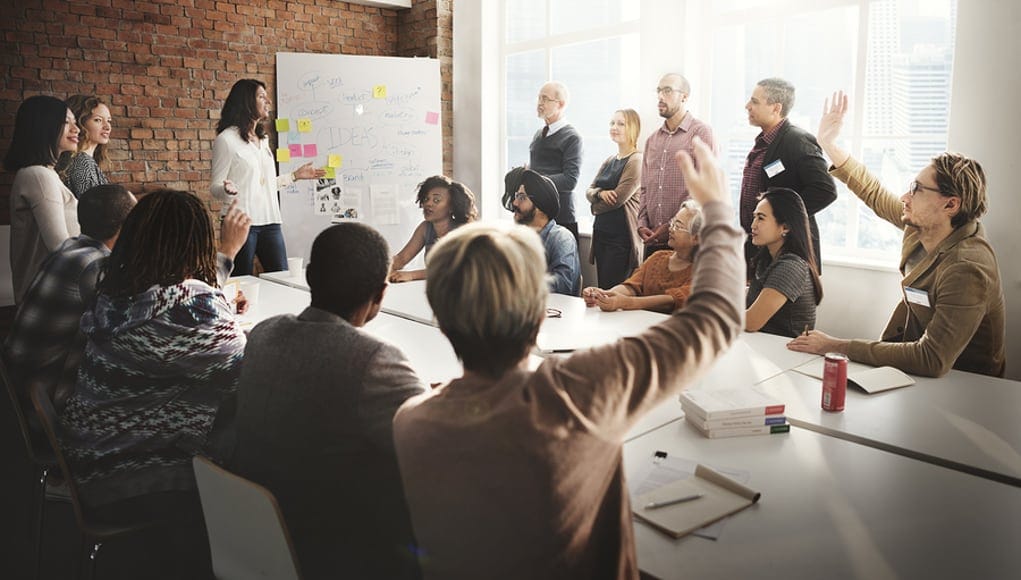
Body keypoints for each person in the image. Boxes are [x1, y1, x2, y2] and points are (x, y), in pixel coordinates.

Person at [393, 137, 743, 579]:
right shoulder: (579, 393)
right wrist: (718, 215)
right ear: (541, 311)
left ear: (440, 321)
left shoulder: (411, 423)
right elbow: (714, 321)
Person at [232, 223, 426, 580]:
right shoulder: (374, 359)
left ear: (308, 277)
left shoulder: (262, 333)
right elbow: (435, 442)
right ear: (381, 294)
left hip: (252, 533)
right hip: (333, 548)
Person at [787, 91, 1005, 378]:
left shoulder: (967, 267)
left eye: (916, 189)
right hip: (917, 375)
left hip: (967, 386)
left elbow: (931, 358)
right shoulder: (920, 226)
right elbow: (874, 192)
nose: (905, 196)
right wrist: (829, 143)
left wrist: (836, 345)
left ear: (950, 204)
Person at [3, 184, 135, 427]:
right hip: (51, 414)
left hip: (19, 401)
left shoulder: (69, 249)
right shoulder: (96, 266)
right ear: (126, 226)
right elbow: (137, 329)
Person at [211, 78, 325, 275]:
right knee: (242, 282)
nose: (268, 102)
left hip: (271, 222)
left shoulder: (263, 140)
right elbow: (215, 187)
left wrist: (295, 176)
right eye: (261, 97)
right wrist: (226, 189)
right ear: (246, 101)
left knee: (283, 277)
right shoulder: (226, 140)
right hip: (241, 222)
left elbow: (265, 185)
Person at [741, 78, 836, 274]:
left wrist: (783, 220)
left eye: (755, 102)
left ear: (776, 108)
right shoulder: (763, 142)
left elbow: (825, 190)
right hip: (757, 246)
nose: (747, 106)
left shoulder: (797, 140)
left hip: (788, 248)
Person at [4, 95, 82, 303]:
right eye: (67, 122)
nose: (77, 129)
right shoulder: (38, 175)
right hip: (48, 302)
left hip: (55, 297)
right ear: (43, 125)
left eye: (75, 122)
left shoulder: (46, 175)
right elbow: (61, 248)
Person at [637, 73, 715, 259]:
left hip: (686, 241)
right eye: (659, 91)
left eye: (667, 91)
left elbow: (703, 188)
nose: (660, 97)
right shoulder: (652, 140)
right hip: (652, 241)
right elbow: (645, 188)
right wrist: (641, 224)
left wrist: (672, 225)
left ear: (685, 96)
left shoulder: (701, 132)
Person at [583, 201, 702, 313]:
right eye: (672, 223)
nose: (671, 229)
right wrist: (603, 295)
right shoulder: (658, 257)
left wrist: (626, 303)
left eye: (678, 226)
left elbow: (671, 301)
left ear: (696, 238)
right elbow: (632, 286)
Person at [745, 188, 822, 338]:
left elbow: (751, 322)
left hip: (784, 355)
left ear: (785, 227)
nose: (753, 225)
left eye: (761, 218)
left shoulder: (791, 267)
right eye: (754, 217)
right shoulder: (766, 259)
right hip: (759, 346)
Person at [586, 108, 643, 288]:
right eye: (612, 123)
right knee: (603, 288)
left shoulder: (636, 160)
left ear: (633, 128)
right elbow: (589, 190)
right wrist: (599, 194)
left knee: (613, 292)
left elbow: (618, 200)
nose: (614, 127)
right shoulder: (610, 160)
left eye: (621, 124)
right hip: (602, 235)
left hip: (621, 240)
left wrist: (594, 206)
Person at [505, 167, 580, 296]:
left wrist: (517, 285)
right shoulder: (519, 237)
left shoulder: (561, 238)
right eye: (516, 196)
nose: (515, 202)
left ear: (540, 206)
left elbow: (564, 285)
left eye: (522, 197)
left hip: (556, 311)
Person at [389, 175, 478, 283]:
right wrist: (377, 269)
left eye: (436, 200)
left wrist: (412, 275)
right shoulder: (425, 228)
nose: (428, 204)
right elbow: (401, 259)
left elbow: (451, 269)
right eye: (426, 199)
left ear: (451, 206)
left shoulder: (462, 231)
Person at [530, 81, 582, 242]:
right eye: (539, 98)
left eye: (545, 99)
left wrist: (534, 180)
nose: (540, 103)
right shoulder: (539, 134)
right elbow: (537, 169)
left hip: (561, 217)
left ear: (560, 104)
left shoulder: (572, 137)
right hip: (536, 214)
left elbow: (570, 180)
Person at [56, 94, 112, 199]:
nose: (107, 127)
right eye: (98, 120)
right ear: (80, 122)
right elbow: (92, 209)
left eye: (109, 121)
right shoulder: (81, 161)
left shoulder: (86, 160)